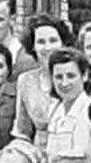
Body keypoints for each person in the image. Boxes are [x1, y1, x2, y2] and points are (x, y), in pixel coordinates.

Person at [10, 16, 74, 146]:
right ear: (33, 46)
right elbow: (23, 131)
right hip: (40, 155)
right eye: (41, 42)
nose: (48, 47)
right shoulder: (26, 81)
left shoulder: (77, 77)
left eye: (53, 40)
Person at [33, 48, 91, 163]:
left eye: (71, 76)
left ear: (85, 75)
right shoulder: (53, 109)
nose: (64, 83)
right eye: (58, 77)